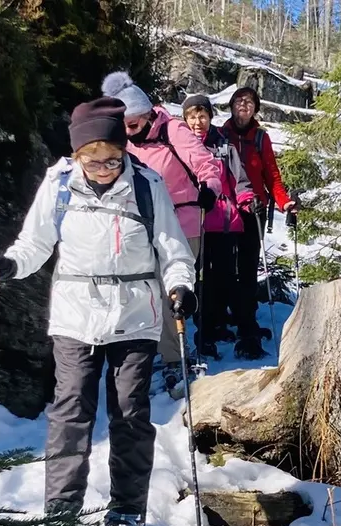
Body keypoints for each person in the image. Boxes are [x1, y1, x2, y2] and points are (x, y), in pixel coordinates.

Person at [0, 96, 197, 526]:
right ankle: (60, 515)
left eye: (112, 160)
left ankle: (127, 512)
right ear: (77, 155)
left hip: (135, 314)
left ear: (124, 151)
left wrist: (181, 286)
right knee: (71, 411)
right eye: (92, 162)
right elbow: (34, 244)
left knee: (131, 414)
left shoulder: (147, 185)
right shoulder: (58, 184)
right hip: (76, 315)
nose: (103, 170)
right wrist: (9, 265)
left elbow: (173, 250)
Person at [102, 71, 223, 392]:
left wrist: (210, 188)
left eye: (131, 124)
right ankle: (161, 350)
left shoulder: (173, 130)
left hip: (183, 223)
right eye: (123, 125)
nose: (127, 131)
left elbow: (207, 164)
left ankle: (176, 357)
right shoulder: (125, 142)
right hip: (143, 226)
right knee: (146, 290)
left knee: (174, 290)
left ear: (145, 113)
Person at [180, 94, 260, 360]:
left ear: (210, 118)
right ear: (185, 119)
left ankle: (216, 326)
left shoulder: (224, 147)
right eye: (192, 117)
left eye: (202, 116)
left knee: (224, 276)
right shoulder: (178, 146)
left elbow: (241, 181)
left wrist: (248, 201)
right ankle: (204, 330)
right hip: (193, 223)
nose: (197, 122)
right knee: (199, 279)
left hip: (224, 222)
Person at [222, 86, 298, 360]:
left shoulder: (261, 138)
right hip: (224, 210)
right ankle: (226, 318)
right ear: (231, 105)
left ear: (255, 109)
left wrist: (284, 202)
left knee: (246, 269)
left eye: (250, 102)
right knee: (222, 268)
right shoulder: (221, 134)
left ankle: (247, 323)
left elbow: (272, 177)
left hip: (254, 211)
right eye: (239, 101)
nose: (244, 105)